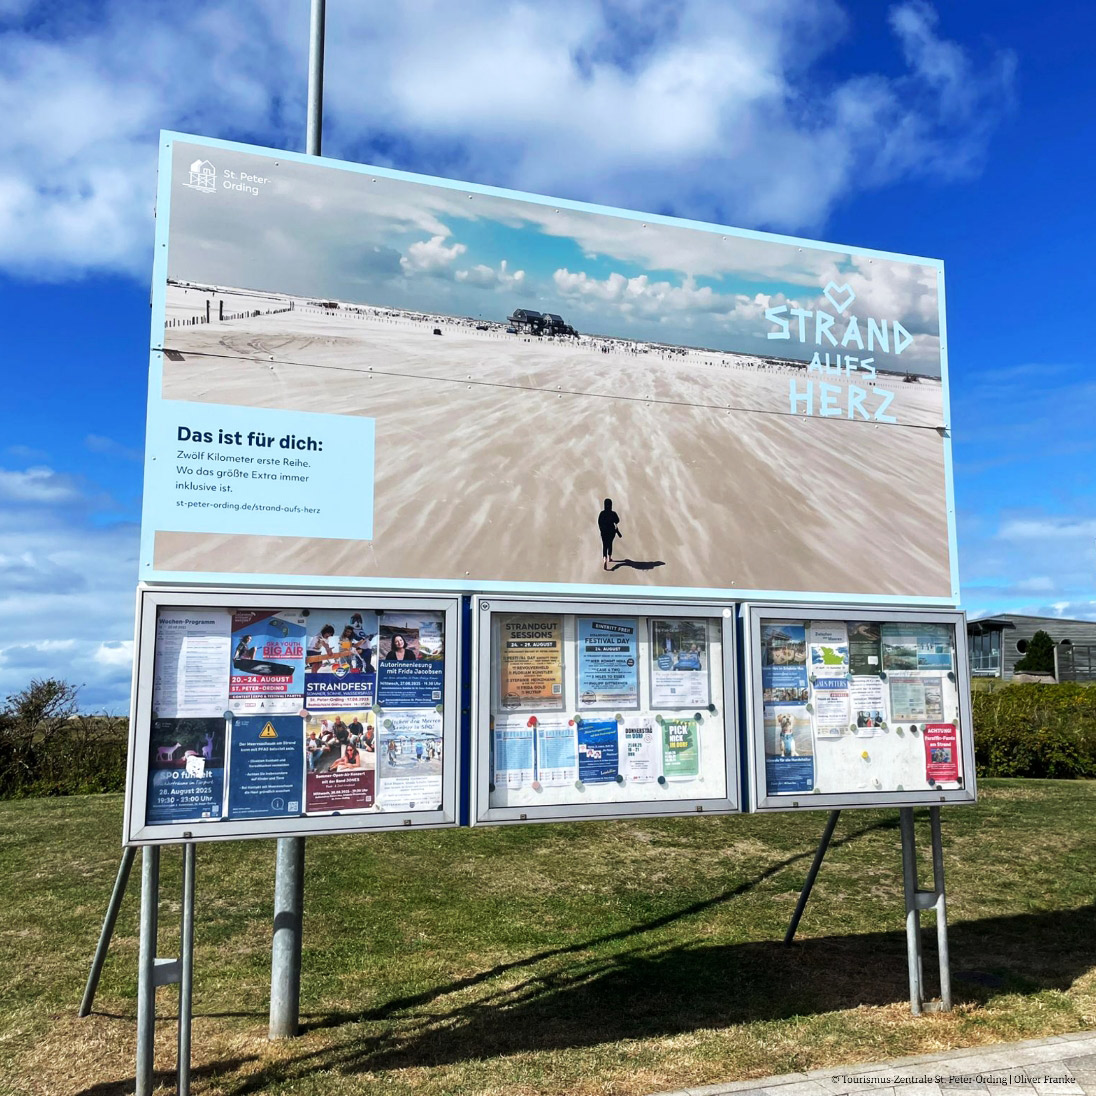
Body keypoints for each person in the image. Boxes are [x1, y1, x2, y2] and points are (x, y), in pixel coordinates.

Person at [598, 498, 621, 569]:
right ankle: (609, 558)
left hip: (604, 531)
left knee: (604, 545)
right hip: (611, 531)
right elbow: (617, 520)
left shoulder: (602, 513)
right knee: (610, 543)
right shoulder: (613, 513)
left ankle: (604, 559)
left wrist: (601, 529)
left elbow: (599, 522)